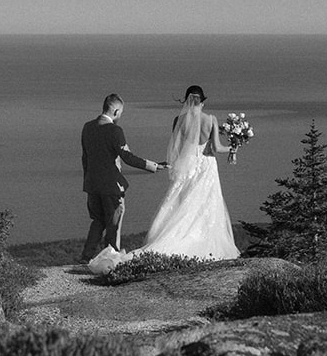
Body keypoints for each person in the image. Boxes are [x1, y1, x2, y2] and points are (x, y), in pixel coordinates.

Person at [87, 85, 238, 273]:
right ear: (203, 101)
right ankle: (202, 244)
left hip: (188, 166)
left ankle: (90, 254)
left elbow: (177, 148)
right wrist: (233, 147)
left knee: (182, 204)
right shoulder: (211, 120)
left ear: (186, 100)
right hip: (206, 167)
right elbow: (215, 148)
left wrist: (167, 166)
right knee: (205, 206)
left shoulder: (178, 120)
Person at [80, 93, 166, 263]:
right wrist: (153, 166)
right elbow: (127, 157)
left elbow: (85, 158)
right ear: (116, 111)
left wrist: (88, 180)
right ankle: (111, 260)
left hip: (92, 184)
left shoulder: (87, 127)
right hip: (111, 186)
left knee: (97, 221)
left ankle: (86, 256)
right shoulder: (115, 131)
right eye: (121, 113)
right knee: (114, 224)